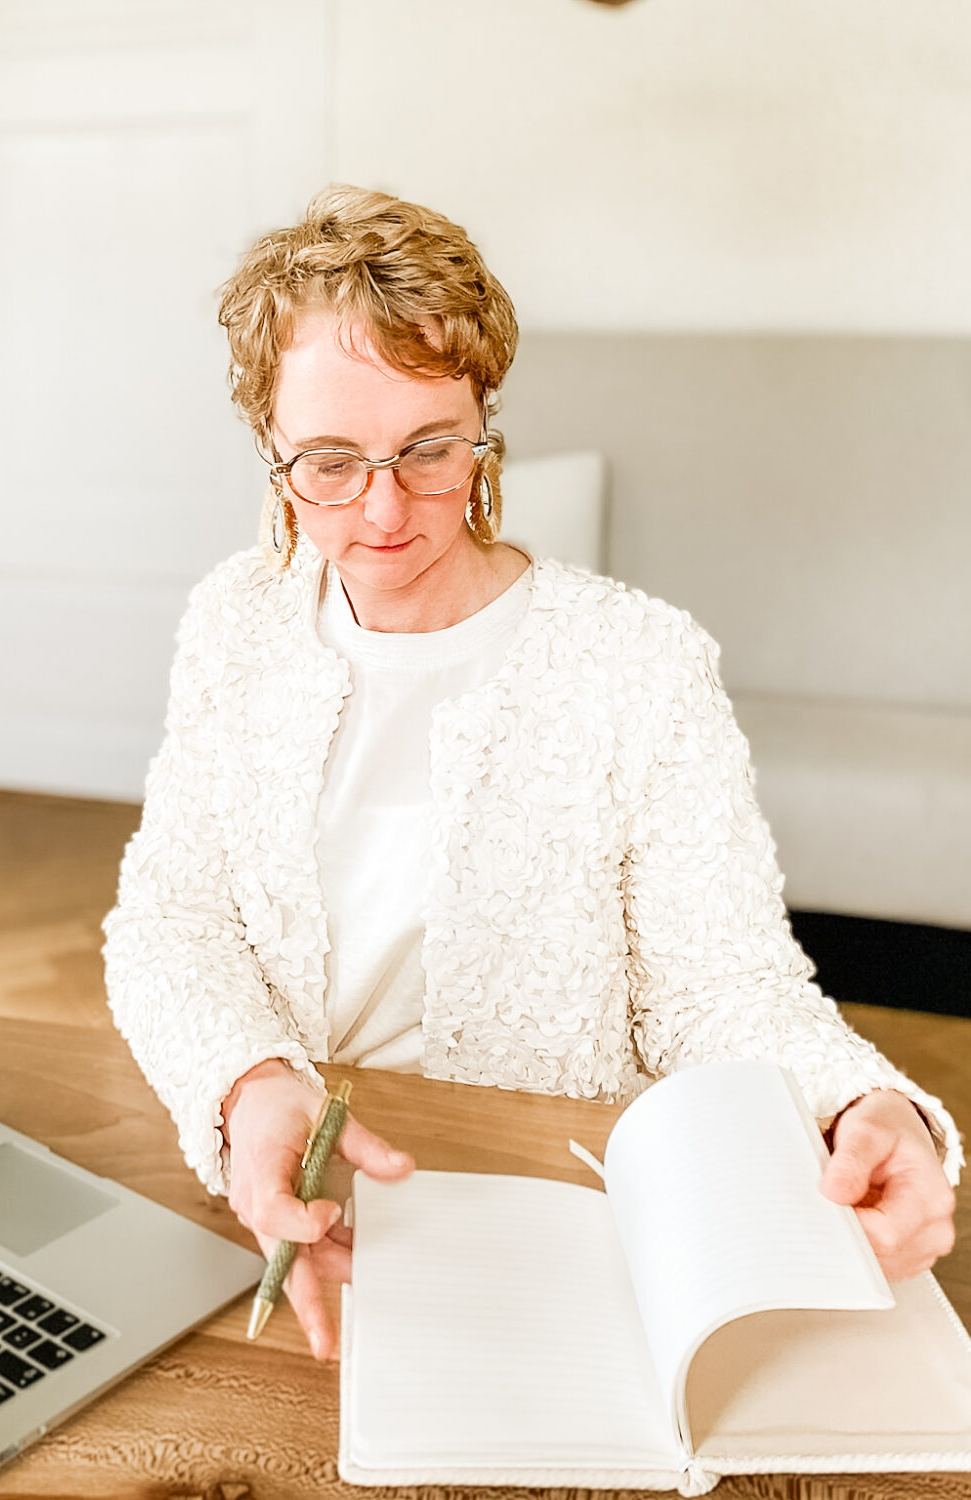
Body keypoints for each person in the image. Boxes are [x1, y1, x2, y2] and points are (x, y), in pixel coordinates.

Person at [100, 184, 960, 1361]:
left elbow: (718, 986)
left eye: (428, 450)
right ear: (271, 451)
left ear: (483, 422)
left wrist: (866, 1105)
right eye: (331, 463)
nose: (385, 507)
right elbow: (168, 918)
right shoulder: (234, 621)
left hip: (536, 1206)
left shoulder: (637, 661)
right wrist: (247, 1088)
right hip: (286, 1186)